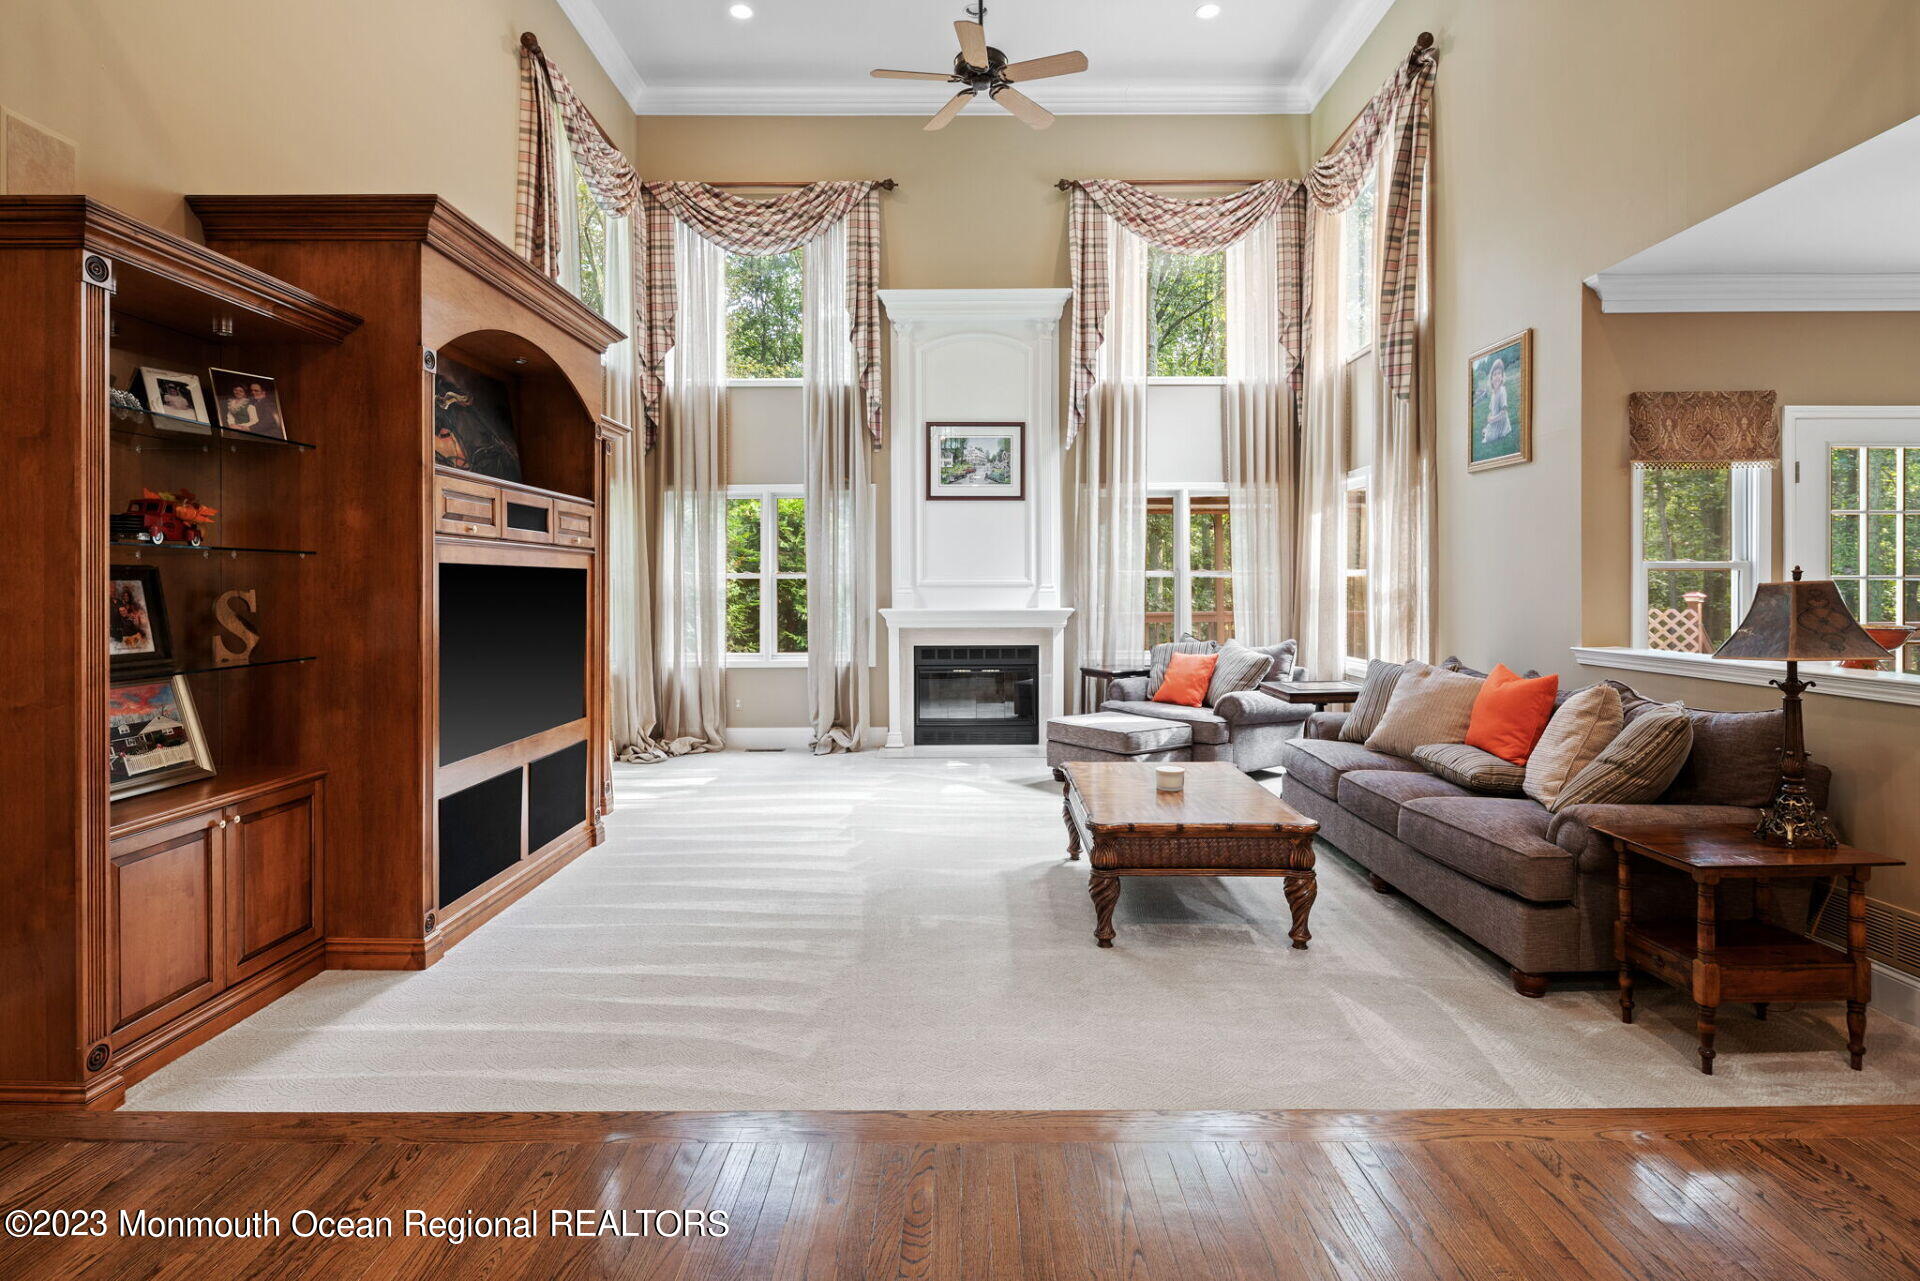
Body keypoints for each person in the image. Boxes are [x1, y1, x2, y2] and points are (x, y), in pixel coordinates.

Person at [1481, 357, 1513, 449]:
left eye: (1499, 373)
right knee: (1487, 430)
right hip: (1494, 419)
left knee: (1488, 437)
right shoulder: (1493, 393)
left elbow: (1504, 412)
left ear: (1502, 376)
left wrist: (1493, 419)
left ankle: (1493, 432)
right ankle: (1488, 430)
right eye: (1495, 374)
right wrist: (1489, 417)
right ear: (1491, 378)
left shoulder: (1502, 391)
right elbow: (1491, 409)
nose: (1497, 376)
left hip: (1500, 422)